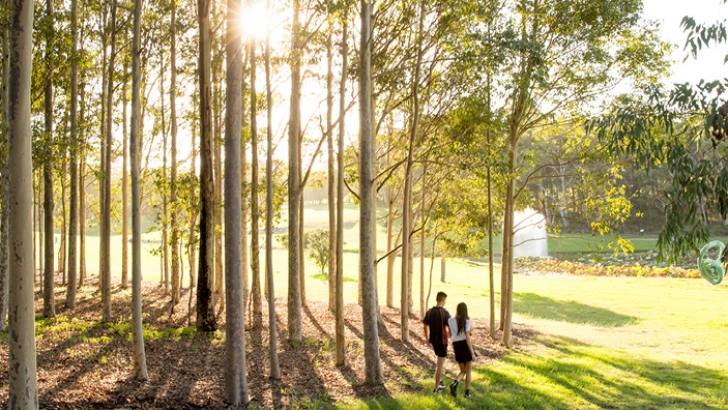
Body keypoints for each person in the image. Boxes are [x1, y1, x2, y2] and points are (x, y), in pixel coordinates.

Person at [423, 291, 450, 393]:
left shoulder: (429, 312)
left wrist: (426, 338)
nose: (445, 302)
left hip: (433, 341)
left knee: (439, 363)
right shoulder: (445, 312)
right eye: (445, 300)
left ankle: (440, 382)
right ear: (443, 300)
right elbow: (451, 326)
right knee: (440, 365)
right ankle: (436, 388)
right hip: (442, 342)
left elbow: (425, 325)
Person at [448, 302, 475, 398]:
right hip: (465, 345)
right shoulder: (467, 321)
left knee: (462, 370)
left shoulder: (450, 320)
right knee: (468, 371)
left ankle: (455, 383)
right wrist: (472, 353)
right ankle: (466, 393)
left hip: (456, 346)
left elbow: (450, 335)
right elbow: (468, 337)